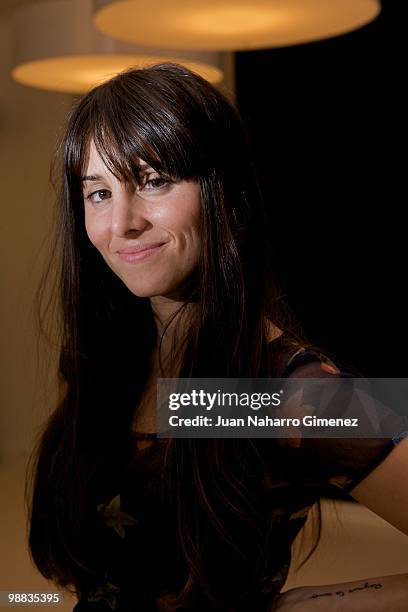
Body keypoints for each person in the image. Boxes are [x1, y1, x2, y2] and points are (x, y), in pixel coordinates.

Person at [26, 62, 408, 612]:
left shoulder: (284, 390)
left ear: (222, 191)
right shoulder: (110, 359)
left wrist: (304, 606)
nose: (122, 222)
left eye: (154, 181)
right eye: (99, 193)